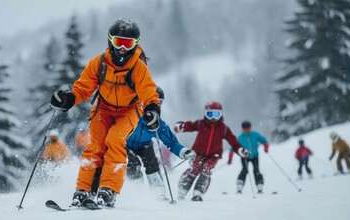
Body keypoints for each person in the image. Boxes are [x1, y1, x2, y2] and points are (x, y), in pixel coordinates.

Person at [49, 18, 160, 207]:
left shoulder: (137, 67)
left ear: (135, 44)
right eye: (119, 42)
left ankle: (108, 190)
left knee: (115, 140)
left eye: (128, 43)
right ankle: (82, 191)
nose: (123, 49)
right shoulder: (99, 63)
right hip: (104, 108)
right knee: (94, 145)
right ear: (110, 41)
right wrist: (68, 99)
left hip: (129, 110)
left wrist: (152, 109)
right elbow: (83, 88)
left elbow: (149, 92)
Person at [125, 86, 195, 199]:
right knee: (133, 164)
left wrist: (184, 152)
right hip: (126, 145)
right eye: (153, 101)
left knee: (152, 161)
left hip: (144, 145)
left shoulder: (158, 124)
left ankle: (158, 191)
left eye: (160, 102)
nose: (156, 105)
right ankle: (135, 192)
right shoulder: (132, 116)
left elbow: (172, 142)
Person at [174, 101, 247, 202]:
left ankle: (198, 192)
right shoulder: (201, 123)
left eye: (216, 114)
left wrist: (240, 149)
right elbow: (190, 126)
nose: (213, 118)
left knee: (206, 169)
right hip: (198, 153)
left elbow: (233, 141)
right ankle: (182, 189)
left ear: (221, 114)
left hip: (214, 155)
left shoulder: (224, 128)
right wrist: (181, 127)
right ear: (205, 114)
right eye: (210, 114)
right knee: (195, 168)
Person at [228, 121, 268, 194]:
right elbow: (232, 148)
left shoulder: (255, 134)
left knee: (256, 170)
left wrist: (266, 147)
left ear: (250, 128)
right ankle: (240, 185)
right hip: (244, 157)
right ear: (242, 129)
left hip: (254, 156)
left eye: (248, 128)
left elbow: (264, 141)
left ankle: (259, 185)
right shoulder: (240, 138)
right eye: (245, 129)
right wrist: (230, 158)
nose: (246, 130)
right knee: (244, 170)